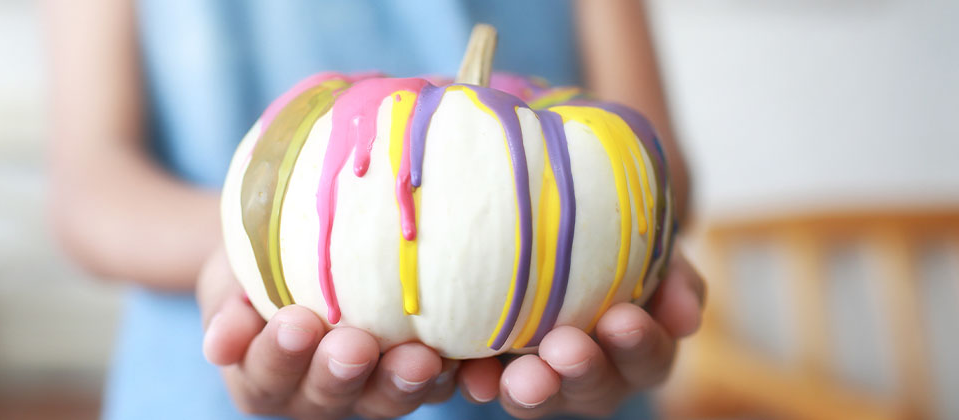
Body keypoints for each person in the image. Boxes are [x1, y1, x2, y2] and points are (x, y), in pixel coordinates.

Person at [45, 0, 704, 418]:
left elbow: (664, 173)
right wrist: (284, 249)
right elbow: (90, 190)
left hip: (554, 370)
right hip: (222, 361)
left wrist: (634, 241)